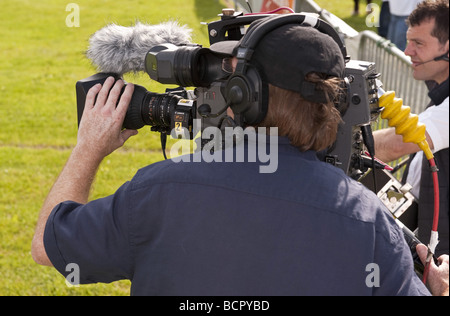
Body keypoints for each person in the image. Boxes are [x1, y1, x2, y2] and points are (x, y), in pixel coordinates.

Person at [32, 16, 443, 296]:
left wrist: (89, 147)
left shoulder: (156, 192)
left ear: (244, 94)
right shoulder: (369, 222)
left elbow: (49, 247)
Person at [374, 0, 449, 258]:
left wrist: (338, 145)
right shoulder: (440, 95)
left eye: (419, 43)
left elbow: (396, 143)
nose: (407, 51)